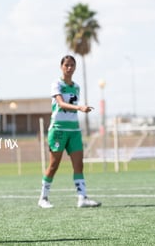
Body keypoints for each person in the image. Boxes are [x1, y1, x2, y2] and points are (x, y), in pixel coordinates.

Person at [38, 55, 101, 209]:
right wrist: (80, 108)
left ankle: (82, 197)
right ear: (61, 66)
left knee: (79, 165)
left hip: (74, 130)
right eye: (66, 65)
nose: (69, 68)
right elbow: (61, 104)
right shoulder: (57, 84)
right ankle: (43, 198)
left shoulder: (76, 87)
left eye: (72, 65)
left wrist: (80, 108)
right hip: (58, 130)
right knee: (54, 165)